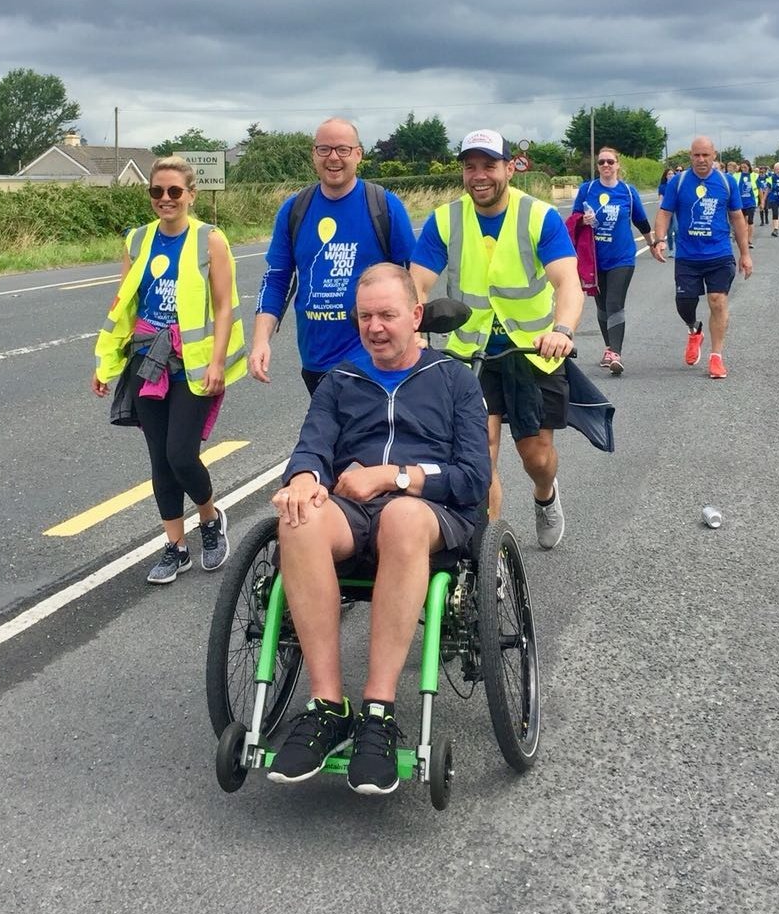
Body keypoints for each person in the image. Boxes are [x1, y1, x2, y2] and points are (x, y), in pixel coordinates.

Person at [266, 264, 491, 795]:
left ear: (415, 316)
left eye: (388, 315)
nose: (375, 327)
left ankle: (378, 711)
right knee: (296, 519)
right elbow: (313, 445)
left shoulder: (454, 379)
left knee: (402, 515)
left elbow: (473, 477)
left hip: (428, 514)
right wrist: (302, 479)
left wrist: (396, 477)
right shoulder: (340, 381)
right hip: (353, 515)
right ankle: (327, 706)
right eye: (366, 317)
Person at [411, 129, 581, 548]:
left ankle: (546, 495)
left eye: (489, 165)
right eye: (470, 167)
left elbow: (568, 283)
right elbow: (416, 284)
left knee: (535, 455)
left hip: (532, 351)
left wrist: (562, 330)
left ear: (510, 168)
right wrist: (413, 330)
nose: (479, 175)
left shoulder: (539, 216)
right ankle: (485, 554)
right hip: (470, 353)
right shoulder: (445, 220)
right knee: (478, 454)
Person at [92, 157, 247, 583]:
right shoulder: (137, 240)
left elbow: (224, 307)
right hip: (147, 361)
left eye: (174, 191)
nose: (165, 199)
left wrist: (217, 362)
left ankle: (210, 520)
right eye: (157, 192)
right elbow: (124, 305)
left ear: (191, 195)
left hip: (193, 366)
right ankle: (175, 547)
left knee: (181, 453)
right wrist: (108, 362)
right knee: (160, 459)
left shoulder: (210, 240)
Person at [249, 117, 416, 394]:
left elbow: (411, 277)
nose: (333, 158)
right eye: (324, 149)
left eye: (343, 149)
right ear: (314, 155)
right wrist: (260, 341)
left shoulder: (383, 205)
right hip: (315, 358)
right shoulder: (294, 210)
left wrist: (415, 334)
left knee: (365, 436)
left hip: (373, 357)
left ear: (359, 154)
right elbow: (276, 279)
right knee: (330, 437)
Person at [651, 136, 753, 380]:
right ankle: (694, 329)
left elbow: (738, 218)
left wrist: (745, 254)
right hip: (688, 256)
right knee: (684, 304)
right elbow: (665, 213)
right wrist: (660, 240)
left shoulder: (726, 182)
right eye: (696, 155)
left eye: (706, 155)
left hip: (719, 253)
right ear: (690, 157)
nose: (701, 160)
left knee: (717, 300)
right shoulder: (679, 182)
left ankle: (716, 357)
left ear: (714, 156)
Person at [572, 147, 656, 375]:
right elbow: (573, 220)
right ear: (597, 166)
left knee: (614, 303)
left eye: (610, 162)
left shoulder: (628, 192)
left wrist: (653, 244)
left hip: (622, 257)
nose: (606, 166)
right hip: (594, 259)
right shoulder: (586, 189)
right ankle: (609, 348)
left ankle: (615, 354)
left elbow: (641, 221)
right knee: (601, 307)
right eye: (602, 162)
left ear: (618, 165)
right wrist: (583, 220)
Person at [657, 166, 680, 256]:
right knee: (669, 231)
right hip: (666, 210)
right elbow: (661, 199)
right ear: (665, 176)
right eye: (669, 174)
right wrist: (661, 209)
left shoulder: (677, 184)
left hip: (676, 210)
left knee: (677, 229)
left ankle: (678, 249)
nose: (671, 175)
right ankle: (671, 249)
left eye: (672, 173)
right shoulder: (662, 187)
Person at [737, 159, 758, 248]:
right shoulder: (736, 176)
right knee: (742, 222)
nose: (743, 169)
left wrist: (763, 201)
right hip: (740, 202)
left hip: (751, 202)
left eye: (745, 167)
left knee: (750, 221)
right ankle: (743, 239)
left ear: (749, 167)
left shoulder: (754, 176)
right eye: (742, 167)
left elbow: (760, 189)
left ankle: (749, 240)